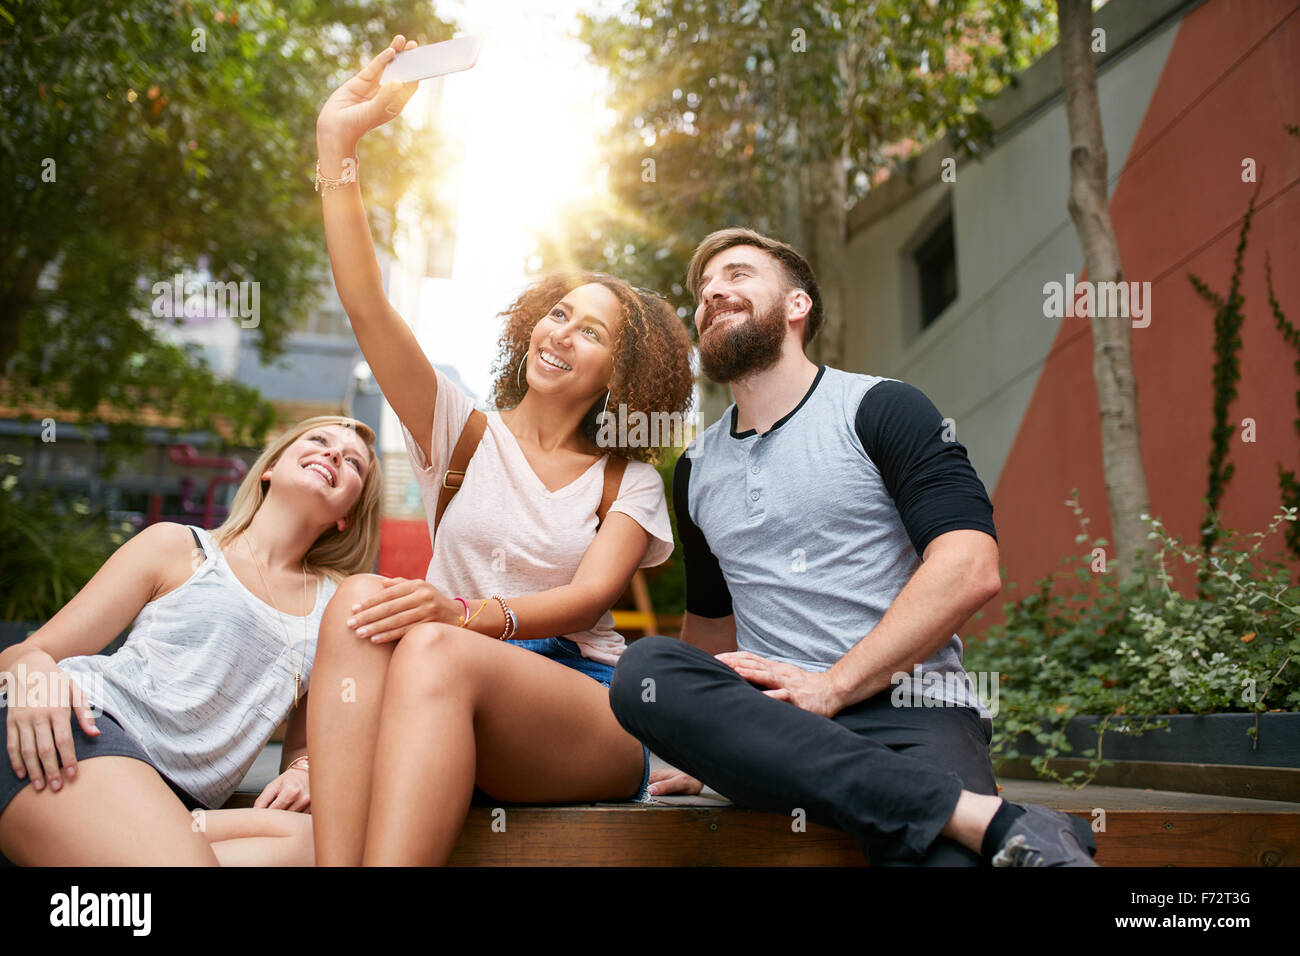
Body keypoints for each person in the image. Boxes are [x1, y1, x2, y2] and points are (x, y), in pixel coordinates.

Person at [308, 35, 695, 865]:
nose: (562, 334)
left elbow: (594, 596)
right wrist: (337, 148)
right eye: (559, 313)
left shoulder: (623, 479)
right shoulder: (460, 430)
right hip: (432, 686)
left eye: (592, 332)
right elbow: (367, 302)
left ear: (618, 374)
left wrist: (472, 616)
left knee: (437, 646)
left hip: (576, 706)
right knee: (353, 605)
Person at [610, 227, 1100, 867]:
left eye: (737, 275)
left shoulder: (882, 408)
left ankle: (953, 816)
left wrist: (834, 686)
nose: (712, 293)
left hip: (911, 709)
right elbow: (709, 626)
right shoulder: (696, 468)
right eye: (703, 290)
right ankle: (988, 818)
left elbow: (969, 567)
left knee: (946, 862)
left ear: (797, 306)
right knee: (645, 671)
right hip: (774, 724)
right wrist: (698, 748)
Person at [0, 417, 383, 865]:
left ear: (347, 516)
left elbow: (306, 742)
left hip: (181, 806)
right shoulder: (179, 548)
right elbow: (25, 653)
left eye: (353, 461)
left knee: (318, 845)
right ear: (270, 469)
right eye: (319, 440)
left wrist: (304, 771)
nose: (334, 454)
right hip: (79, 733)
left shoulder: (336, 608)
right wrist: (36, 674)